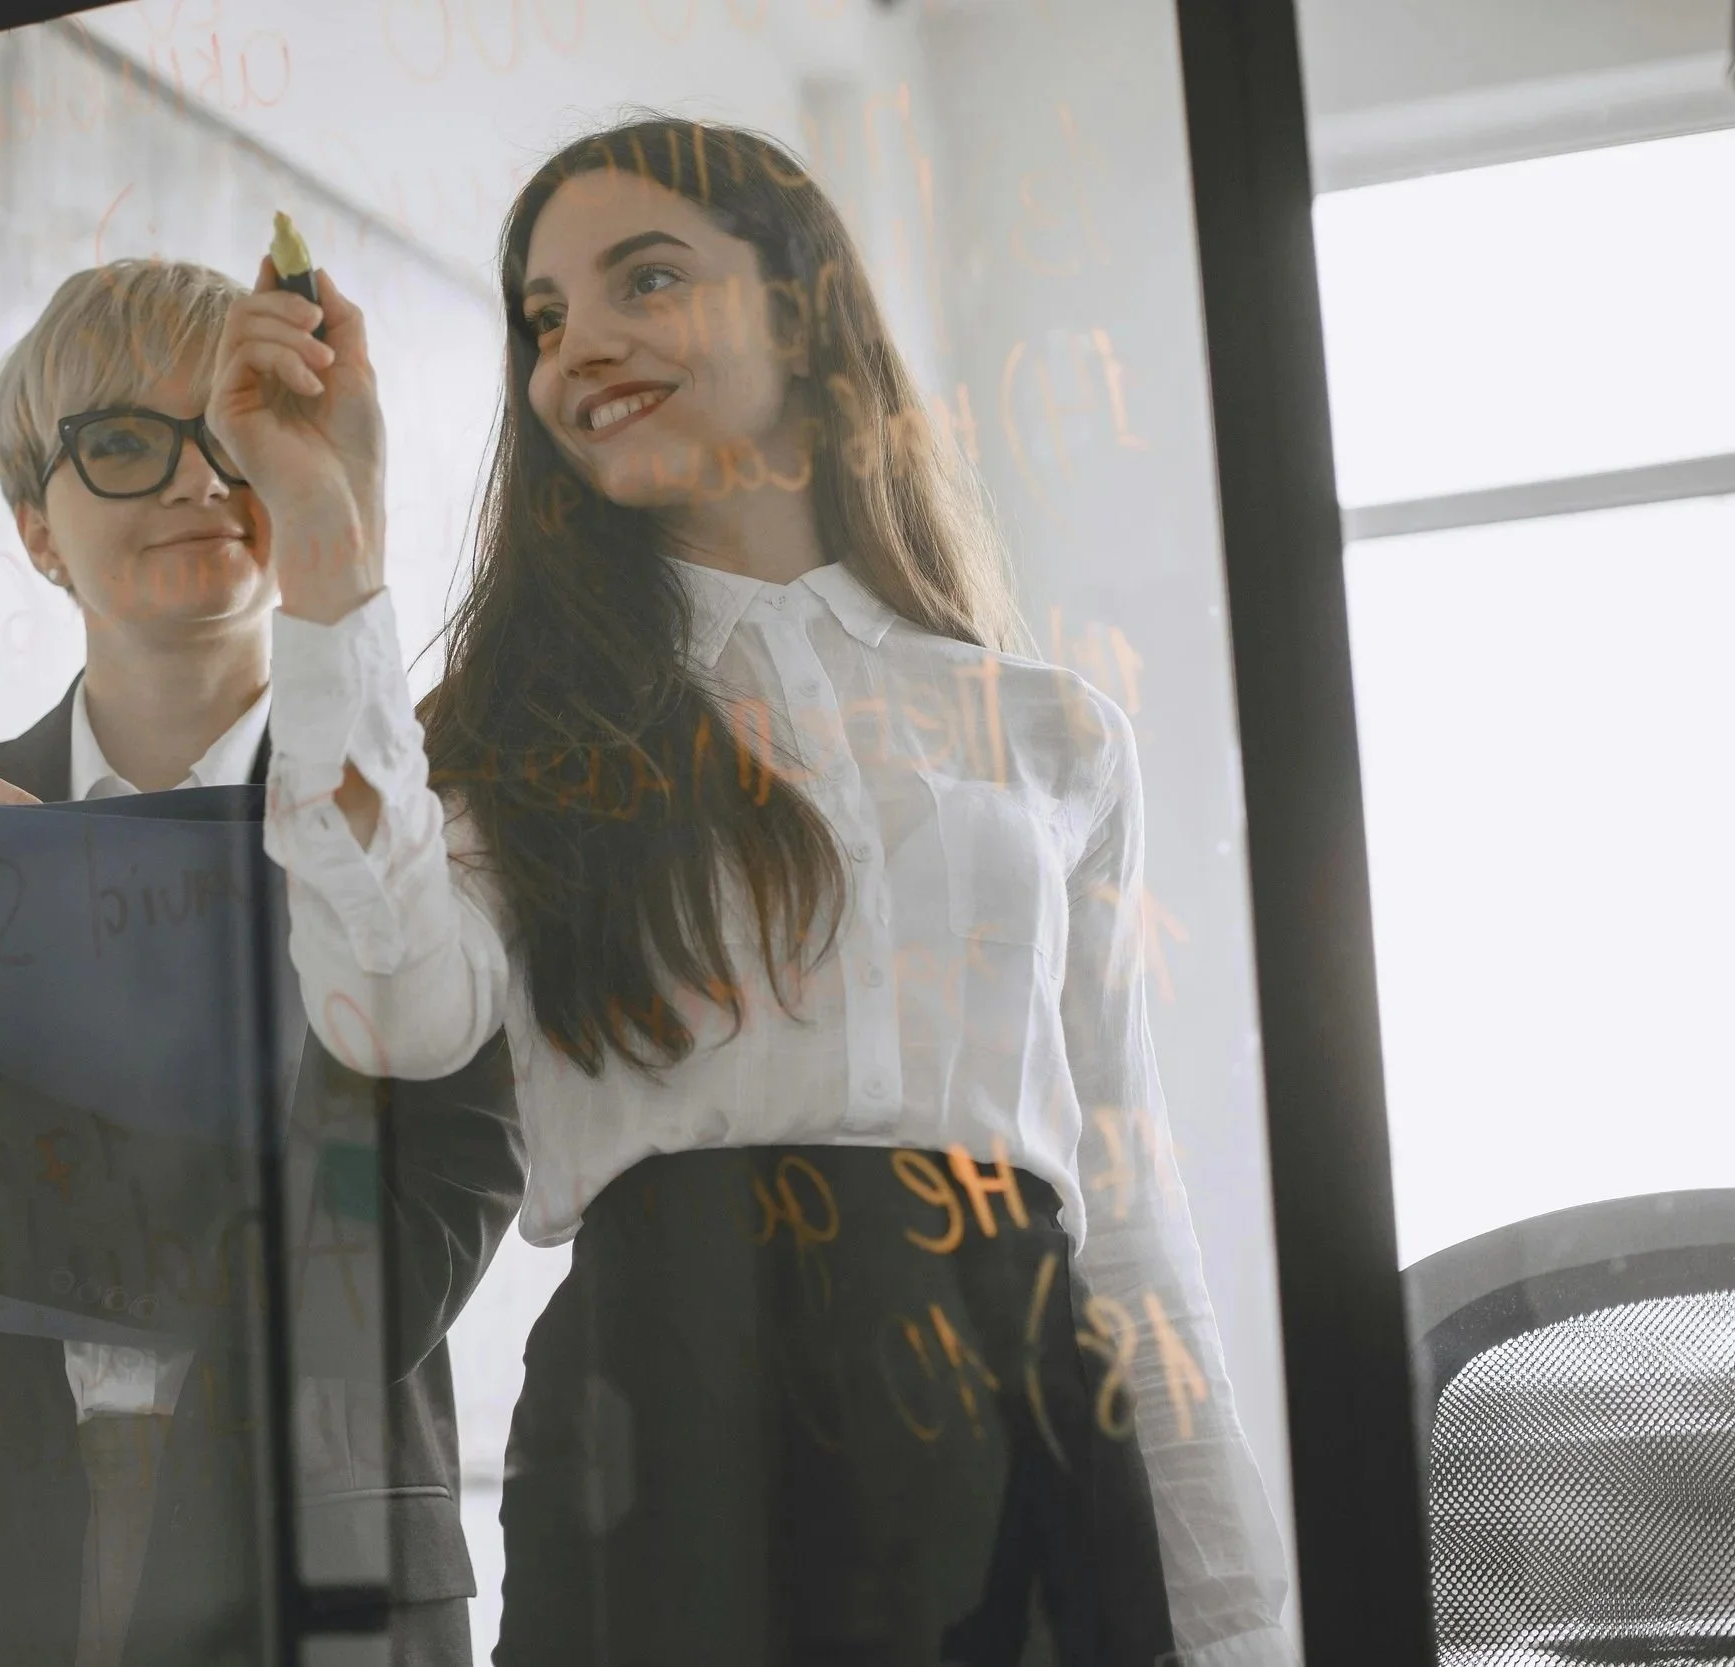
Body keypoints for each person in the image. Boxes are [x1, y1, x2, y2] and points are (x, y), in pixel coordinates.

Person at [208, 119, 1298, 1666]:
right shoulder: (512, 734)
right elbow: (385, 1009)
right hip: (671, 1421)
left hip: (1024, 1415)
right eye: (544, 318)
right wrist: (327, 532)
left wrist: (1235, 1617)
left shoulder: (1053, 728)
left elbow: (1122, 1193)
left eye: (643, 277)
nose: (581, 343)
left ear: (798, 311)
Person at [0, 258, 525, 1667]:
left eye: (235, 434)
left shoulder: (424, 845)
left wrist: (7, 1156)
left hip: (311, 1580)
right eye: (122, 442)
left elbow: (387, 1279)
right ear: (36, 531)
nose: (196, 478)